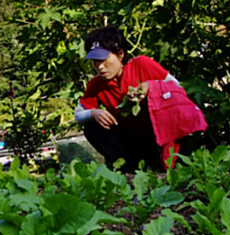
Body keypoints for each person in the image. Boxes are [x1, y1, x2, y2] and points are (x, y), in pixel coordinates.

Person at [74, 26, 206, 172]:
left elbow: (176, 88)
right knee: (93, 128)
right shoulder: (97, 84)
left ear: (120, 54)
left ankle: (177, 159)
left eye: (103, 59)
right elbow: (78, 115)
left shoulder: (142, 64)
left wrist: (150, 87)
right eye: (95, 61)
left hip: (161, 131)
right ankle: (131, 169)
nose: (100, 66)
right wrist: (93, 113)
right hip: (134, 140)